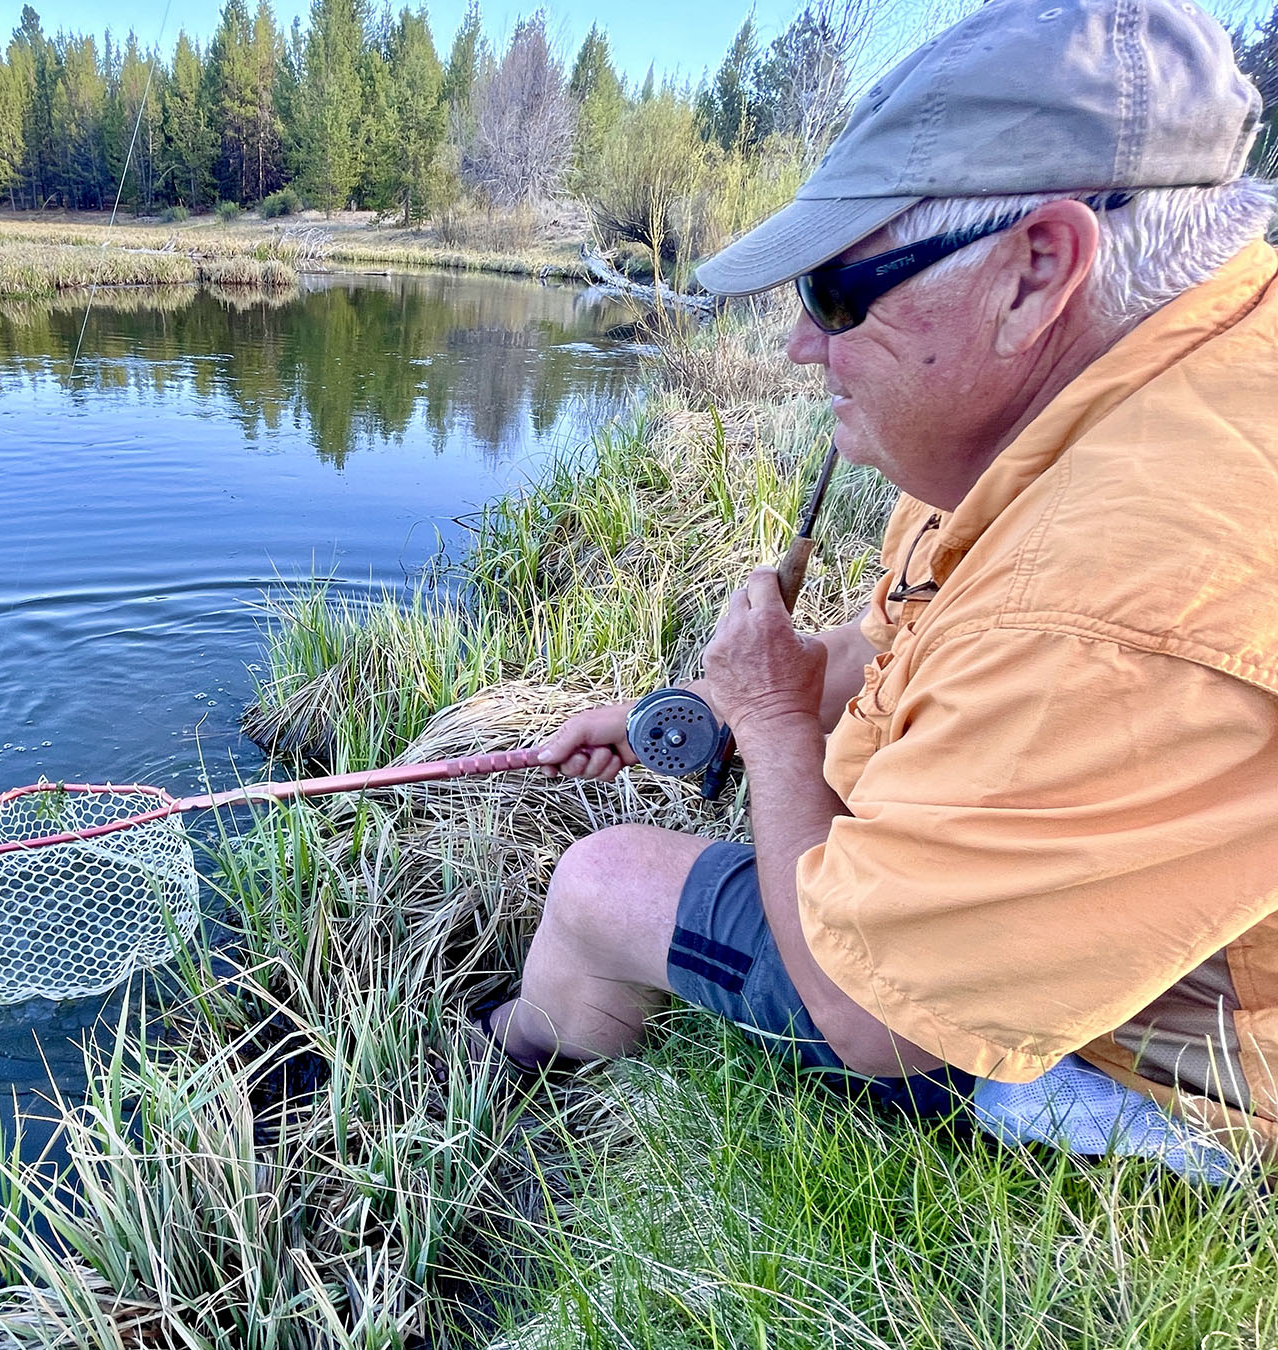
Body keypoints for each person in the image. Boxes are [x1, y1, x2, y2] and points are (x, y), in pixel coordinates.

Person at [474, 0, 1278, 1160]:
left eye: (837, 295)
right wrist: (718, 712)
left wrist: (773, 726)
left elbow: (874, 1018)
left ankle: (506, 1082)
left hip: (1160, 1084)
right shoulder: (1102, 398)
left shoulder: (1115, 587)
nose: (801, 345)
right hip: (1067, 933)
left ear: (1036, 269)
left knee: (600, 887)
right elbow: (915, 644)